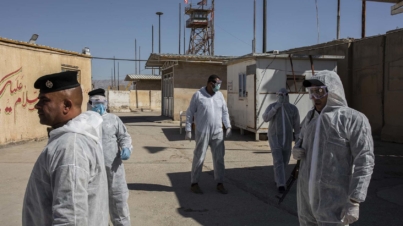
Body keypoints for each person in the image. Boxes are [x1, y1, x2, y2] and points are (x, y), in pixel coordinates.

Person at [22, 71, 109, 225]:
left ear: (66, 106)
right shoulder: (71, 139)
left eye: (44, 101)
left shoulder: (70, 147)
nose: (36, 106)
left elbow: (71, 218)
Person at [292, 70, 375, 226]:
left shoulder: (353, 119)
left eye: (319, 92)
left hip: (334, 206)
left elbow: (365, 161)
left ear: (333, 91)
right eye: (311, 92)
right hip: (306, 204)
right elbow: (301, 139)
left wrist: (354, 200)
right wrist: (297, 148)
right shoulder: (310, 117)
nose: (314, 97)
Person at [88, 88, 132, 226]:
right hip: (92, 171)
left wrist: (126, 147)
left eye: (101, 102)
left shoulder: (113, 119)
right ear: (90, 104)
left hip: (114, 170)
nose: (99, 106)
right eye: (96, 103)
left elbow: (124, 136)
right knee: (94, 206)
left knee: (118, 203)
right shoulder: (85, 121)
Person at [185, 74, 231, 194]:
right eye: (217, 84)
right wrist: (188, 129)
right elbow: (190, 112)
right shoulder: (198, 95)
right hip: (202, 131)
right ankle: (194, 183)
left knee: (219, 158)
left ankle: (220, 183)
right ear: (210, 84)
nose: (218, 87)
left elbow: (225, 112)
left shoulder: (220, 96)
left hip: (217, 132)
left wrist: (228, 126)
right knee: (199, 157)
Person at [262, 88, 300, 193]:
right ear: (277, 96)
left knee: (284, 160)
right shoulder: (272, 106)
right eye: (280, 95)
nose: (283, 97)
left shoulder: (293, 109)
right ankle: (281, 184)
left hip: (287, 138)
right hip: (275, 137)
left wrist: (298, 139)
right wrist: (275, 109)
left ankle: (278, 178)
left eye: (285, 95)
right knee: (278, 160)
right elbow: (265, 118)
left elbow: (296, 125)